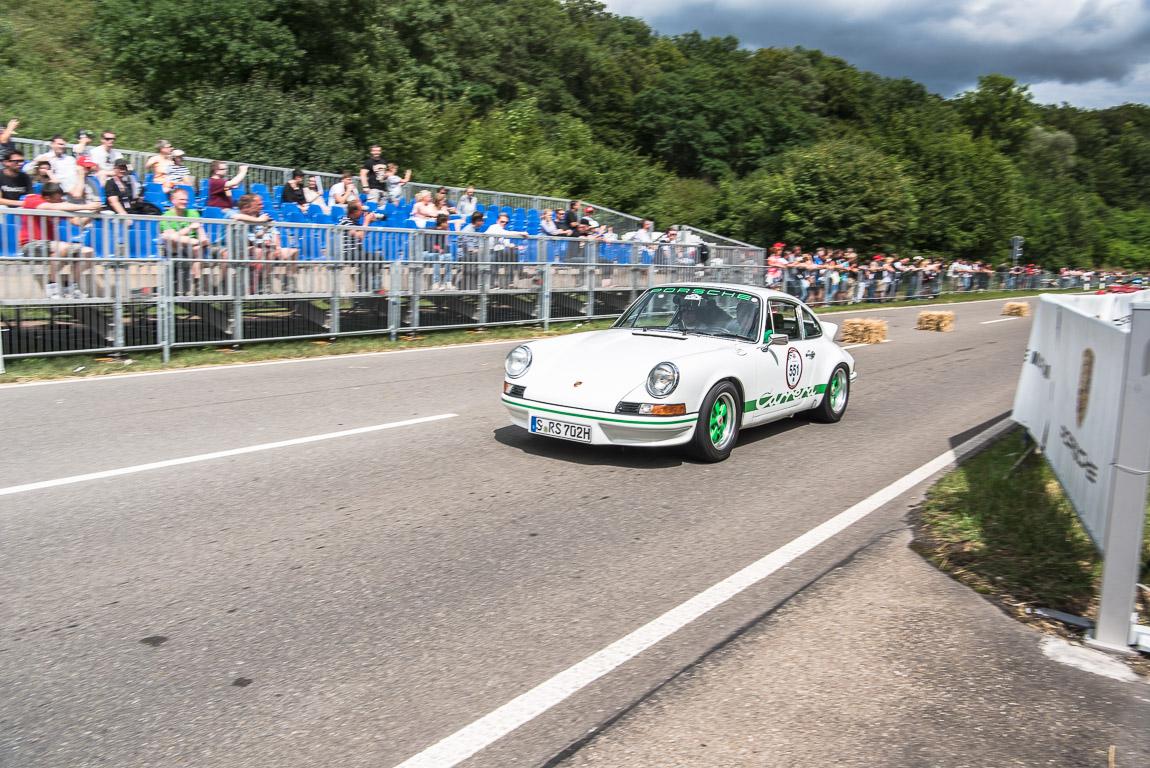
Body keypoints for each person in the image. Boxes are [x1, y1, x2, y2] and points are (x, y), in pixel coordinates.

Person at [18, 182, 98, 298]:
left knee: (87, 252)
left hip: (52, 245)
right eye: (57, 199)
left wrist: (93, 212)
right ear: (47, 198)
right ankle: (52, 286)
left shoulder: (58, 205)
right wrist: (86, 206)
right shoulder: (32, 200)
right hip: (30, 244)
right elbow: (52, 207)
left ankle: (70, 286)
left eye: (61, 199)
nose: (60, 202)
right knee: (62, 247)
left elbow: (77, 222)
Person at [225, 194, 299, 293]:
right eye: (258, 205)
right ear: (247, 207)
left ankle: (289, 284)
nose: (261, 207)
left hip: (267, 247)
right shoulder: (238, 216)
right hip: (240, 250)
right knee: (264, 252)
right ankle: (263, 284)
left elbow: (272, 234)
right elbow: (250, 238)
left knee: (293, 252)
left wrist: (277, 246)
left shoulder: (263, 217)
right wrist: (259, 223)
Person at [160, 186, 213, 294]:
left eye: (186, 200)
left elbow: (200, 230)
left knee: (198, 248)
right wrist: (189, 228)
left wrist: (203, 239)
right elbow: (171, 236)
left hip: (192, 247)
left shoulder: (193, 213)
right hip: (175, 248)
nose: (184, 202)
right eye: (181, 199)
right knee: (168, 236)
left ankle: (197, 284)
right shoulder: (166, 216)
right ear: (173, 200)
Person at [337, 198, 381, 291]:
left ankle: (369, 284)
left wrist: (369, 221)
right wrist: (366, 221)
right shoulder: (345, 221)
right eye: (361, 210)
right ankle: (364, 286)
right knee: (367, 259)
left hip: (357, 250)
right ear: (355, 211)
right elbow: (359, 235)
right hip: (348, 253)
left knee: (379, 258)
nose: (362, 213)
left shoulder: (355, 222)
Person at [486, 211, 527, 288]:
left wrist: (515, 247)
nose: (504, 223)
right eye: (502, 221)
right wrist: (521, 233)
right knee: (510, 254)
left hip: (496, 252)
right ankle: (519, 274)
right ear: (497, 221)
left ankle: (510, 282)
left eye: (506, 222)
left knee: (513, 254)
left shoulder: (501, 231)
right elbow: (507, 233)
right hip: (488, 253)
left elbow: (504, 244)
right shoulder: (495, 227)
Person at [423, 213, 455, 290]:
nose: (448, 224)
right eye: (447, 222)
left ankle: (448, 282)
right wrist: (438, 250)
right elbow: (428, 246)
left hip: (436, 254)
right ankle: (435, 283)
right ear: (442, 223)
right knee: (437, 256)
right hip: (425, 253)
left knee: (449, 256)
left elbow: (444, 248)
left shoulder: (443, 233)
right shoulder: (430, 230)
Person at [457, 211, 486, 290]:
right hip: (465, 256)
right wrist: (484, 251)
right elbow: (470, 251)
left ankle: (481, 284)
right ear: (477, 221)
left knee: (490, 257)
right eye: (482, 220)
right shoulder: (469, 231)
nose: (483, 222)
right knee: (486, 257)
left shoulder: (476, 230)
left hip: (473, 254)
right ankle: (480, 285)